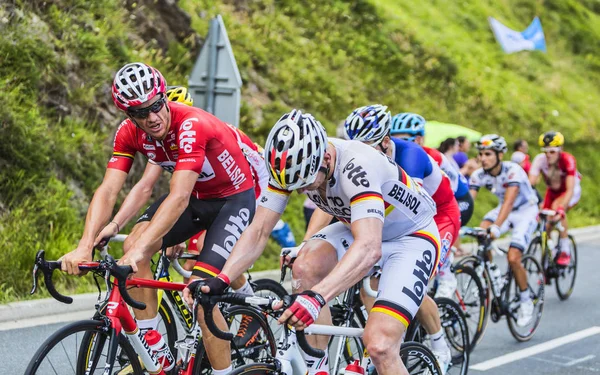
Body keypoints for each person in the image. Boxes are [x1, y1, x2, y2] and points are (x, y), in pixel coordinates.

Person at [185, 109, 440, 375]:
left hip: (410, 238)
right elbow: (259, 230)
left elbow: (368, 247)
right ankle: (316, 367)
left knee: (380, 346)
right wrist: (222, 278)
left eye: (306, 183)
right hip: (358, 227)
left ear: (326, 158)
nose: (301, 191)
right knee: (303, 266)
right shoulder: (289, 164)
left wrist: (316, 298)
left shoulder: (359, 166)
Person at [60, 63, 256, 375]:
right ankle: (156, 348)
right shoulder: (129, 134)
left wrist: (141, 249)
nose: (152, 118)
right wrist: (85, 245)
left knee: (201, 292)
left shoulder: (191, 124)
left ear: (165, 98)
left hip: (233, 199)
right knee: (135, 252)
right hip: (197, 199)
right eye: (140, 112)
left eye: (156, 106)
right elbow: (109, 189)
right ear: (128, 115)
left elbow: (177, 197)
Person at [344, 104, 458, 370]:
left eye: (368, 147)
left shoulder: (411, 155)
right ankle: (390, 335)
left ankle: (440, 344)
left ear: (385, 141)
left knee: (411, 284)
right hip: (396, 220)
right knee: (371, 282)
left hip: (436, 216)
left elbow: (410, 207)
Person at [470, 134, 539, 327]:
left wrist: (497, 227)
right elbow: (467, 202)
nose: (483, 158)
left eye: (488, 154)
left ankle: (526, 299)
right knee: (481, 231)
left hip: (525, 210)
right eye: (481, 154)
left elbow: (509, 202)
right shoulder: (479, 174)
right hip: (504, 209)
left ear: (500, 155)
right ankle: (493, 275)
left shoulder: (513, 171)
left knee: (513, 256)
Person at [389, 113, 475, 258]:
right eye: (394, 138)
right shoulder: (395, 155)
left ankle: (446, 272)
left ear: (419, 139)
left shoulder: (432, 156)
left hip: (458, 200)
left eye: (403, 139)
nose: (398, 143)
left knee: (429, 255)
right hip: (431, 205)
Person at [529, 131, 581, 266]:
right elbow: (530, 184)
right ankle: (549, 257)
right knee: (545, 225)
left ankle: (565, 250)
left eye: (552, 152)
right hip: (552, 191)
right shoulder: (540, 160)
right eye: (545, 151)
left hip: (570, 190)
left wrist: (561, 208)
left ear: (560, 150)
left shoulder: (568, 160)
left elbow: (569, 189)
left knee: (557, 210)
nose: (548, 155)